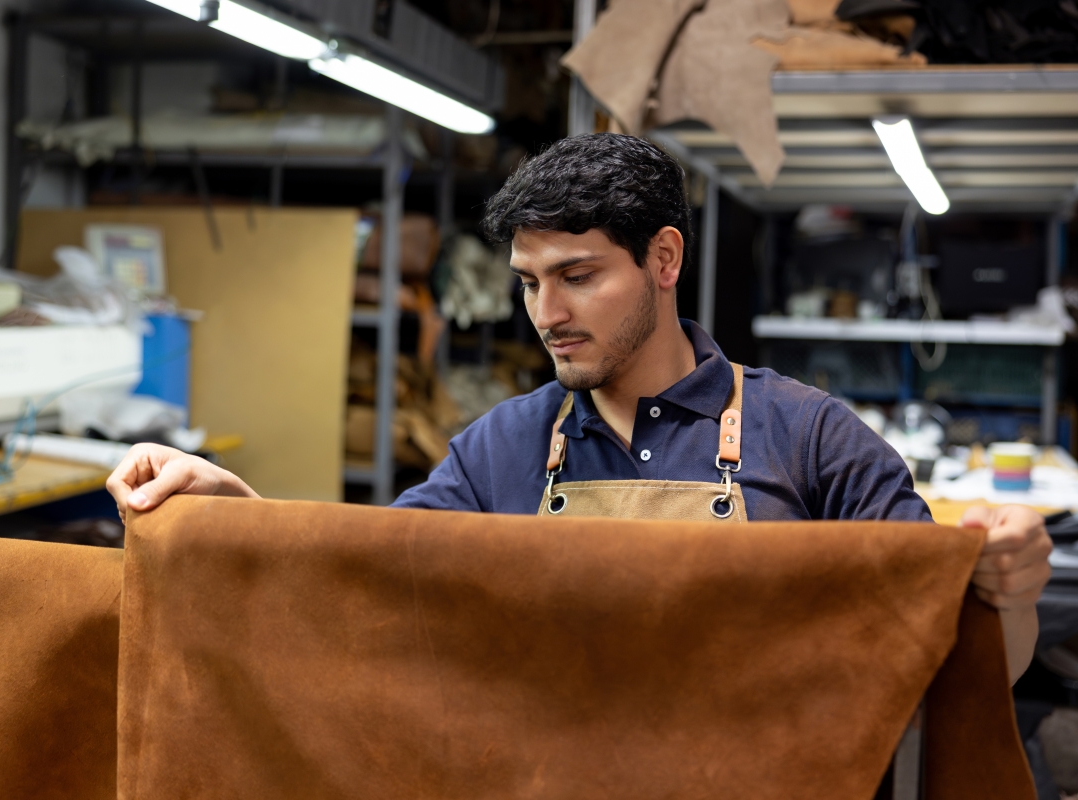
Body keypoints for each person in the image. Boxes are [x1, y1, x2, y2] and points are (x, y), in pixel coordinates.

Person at [108, 133, 1051, 681]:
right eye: (527, 282)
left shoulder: (809, 439)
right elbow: (366, 593)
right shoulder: (496, 451)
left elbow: (972, 668)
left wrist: (1010, 596)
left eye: (578, 276)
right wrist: (240, 517)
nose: (545, 315)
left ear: (665, 261)